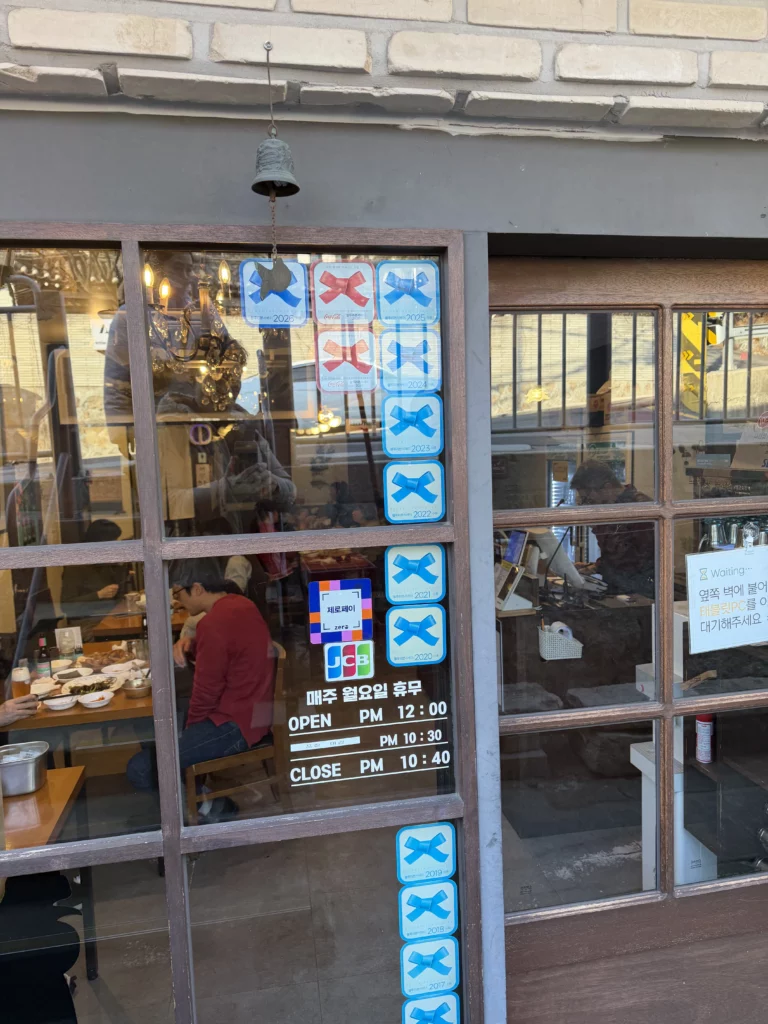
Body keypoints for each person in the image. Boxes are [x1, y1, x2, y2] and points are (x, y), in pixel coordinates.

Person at [126, 567, 275, 822]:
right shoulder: (241, 604)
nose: (177, 601)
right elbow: (231, 651)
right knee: (158, 726)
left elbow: (206, 693)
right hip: (254, 712)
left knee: (140, 768)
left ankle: (211, 808)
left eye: (178, 594)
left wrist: (190, 732)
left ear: (197, 589)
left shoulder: (213, 623)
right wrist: (193, 645)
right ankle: (198, 798)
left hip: (235, 724)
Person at [569, 460, 655, 598]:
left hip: (639, 592)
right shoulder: (609, 506)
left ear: (607, 487)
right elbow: (613, 555)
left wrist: (596, 567)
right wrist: (592, 566)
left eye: (588, 499)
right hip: (617, 588)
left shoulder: (639, 507)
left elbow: (636, 560)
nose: (588, 503)